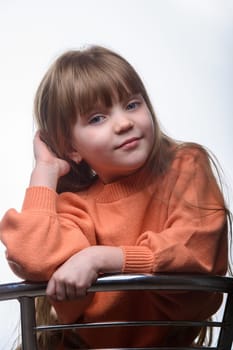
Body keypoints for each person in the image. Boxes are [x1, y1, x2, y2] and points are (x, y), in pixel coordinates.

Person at [0, 45, 231, 349]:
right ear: (72, 148)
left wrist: (102, 258)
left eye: (132, 104)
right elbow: (33, 257)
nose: (124, 123)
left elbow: (197, 249)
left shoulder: (186, 166)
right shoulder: (76, 204)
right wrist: (45, 170)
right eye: (97, 118)